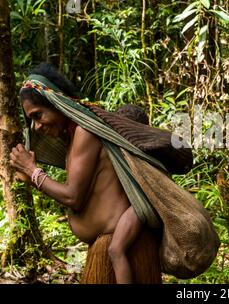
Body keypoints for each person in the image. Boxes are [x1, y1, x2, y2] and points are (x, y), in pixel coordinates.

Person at [9, 63, 161, 284]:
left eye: (38, 115)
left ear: (55, 103)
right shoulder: (73, 137)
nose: (37, 126)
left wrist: (33, 172)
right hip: (105, 248)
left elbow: (73, 197)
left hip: (126, 248)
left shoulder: (85, 132)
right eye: (32, 120)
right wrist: (31, 175)